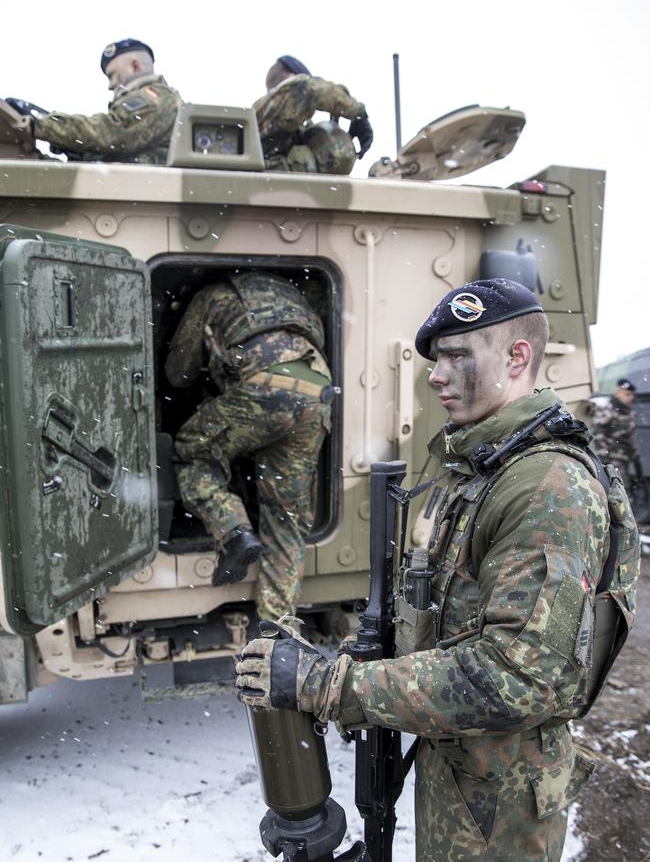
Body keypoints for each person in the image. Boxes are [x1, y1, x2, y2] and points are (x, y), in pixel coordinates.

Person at [236, 278, 640, 861]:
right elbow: (441, 618)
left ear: (517, 357)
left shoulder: (546, 485)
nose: (435, 374)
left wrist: (332, 687)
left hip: (502, 804)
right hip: (460, 775)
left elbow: (518, 679)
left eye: (456, 356)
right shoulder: (480, 465)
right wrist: (346, 658)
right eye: (435, 358)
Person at [165, 270, 332, 622]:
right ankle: (277, 636)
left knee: (191, 451)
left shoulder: (210, 296)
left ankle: (233, 530)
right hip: (317, 392)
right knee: (285, 521)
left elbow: (177, 373)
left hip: (263, 385)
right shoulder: (292, 293)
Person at [28, 39, 181, 164]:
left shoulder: (157, 97)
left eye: (112, 75)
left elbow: (112, 132)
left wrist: (41, 124)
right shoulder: (156, 98)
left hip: (139, 191)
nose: (110, 85)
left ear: (135, 66)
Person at [253, 55, 373, 174]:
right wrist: (358, 113)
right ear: (291, 80)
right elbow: (309, 88)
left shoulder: (277, 124)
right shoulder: (268, 109)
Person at [591, 378, 643, 492]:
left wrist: (637, 460)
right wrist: (605, 463)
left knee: (627, 490)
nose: (631, 398)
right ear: (617, 392)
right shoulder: (608, 410)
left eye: (632, 395)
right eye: (627, 394)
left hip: (625, 460)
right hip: (613, 462)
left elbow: (630, 438)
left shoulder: (628, 412)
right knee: (619, 493)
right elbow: (599, 436)